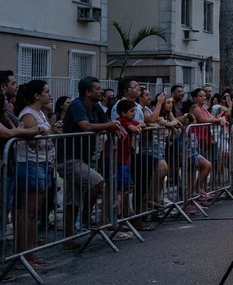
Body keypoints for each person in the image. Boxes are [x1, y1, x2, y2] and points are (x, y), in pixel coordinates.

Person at [59, 77, 120, 251]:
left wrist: (114, 126)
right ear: (87, 92)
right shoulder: (78, 105)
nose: (101, 91)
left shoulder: (96, 106)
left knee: (72, 199)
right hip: (69, 158)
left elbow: (105, 122)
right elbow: (85, 126)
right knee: (97, 182)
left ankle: (68, 239)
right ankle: (86, 218)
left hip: (82, 158)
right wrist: (110, 125)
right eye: (98, 89)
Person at [14, 80, 54, 269]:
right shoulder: (28, 114)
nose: (49, 94)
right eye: (46, 92)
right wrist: (43, 133)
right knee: (28, 212)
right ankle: (23, 254)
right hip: (31, 164)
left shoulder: (40, 113)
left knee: (33, 211)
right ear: (37, 96)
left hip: (42, 163)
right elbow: (31, 140)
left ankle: (29, 253)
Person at [113, 100, 142, 220]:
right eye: (131, 111)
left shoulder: (129, 121)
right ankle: (117, 207)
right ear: (123, 113)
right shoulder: (121, 121)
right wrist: (137, 127)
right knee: (121, 187)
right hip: (119, 160)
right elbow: (136, 129)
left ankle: (121, 208)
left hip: (126, 159)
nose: (134, 113)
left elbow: (141, 124)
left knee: (127, 187)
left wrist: (138, 125)